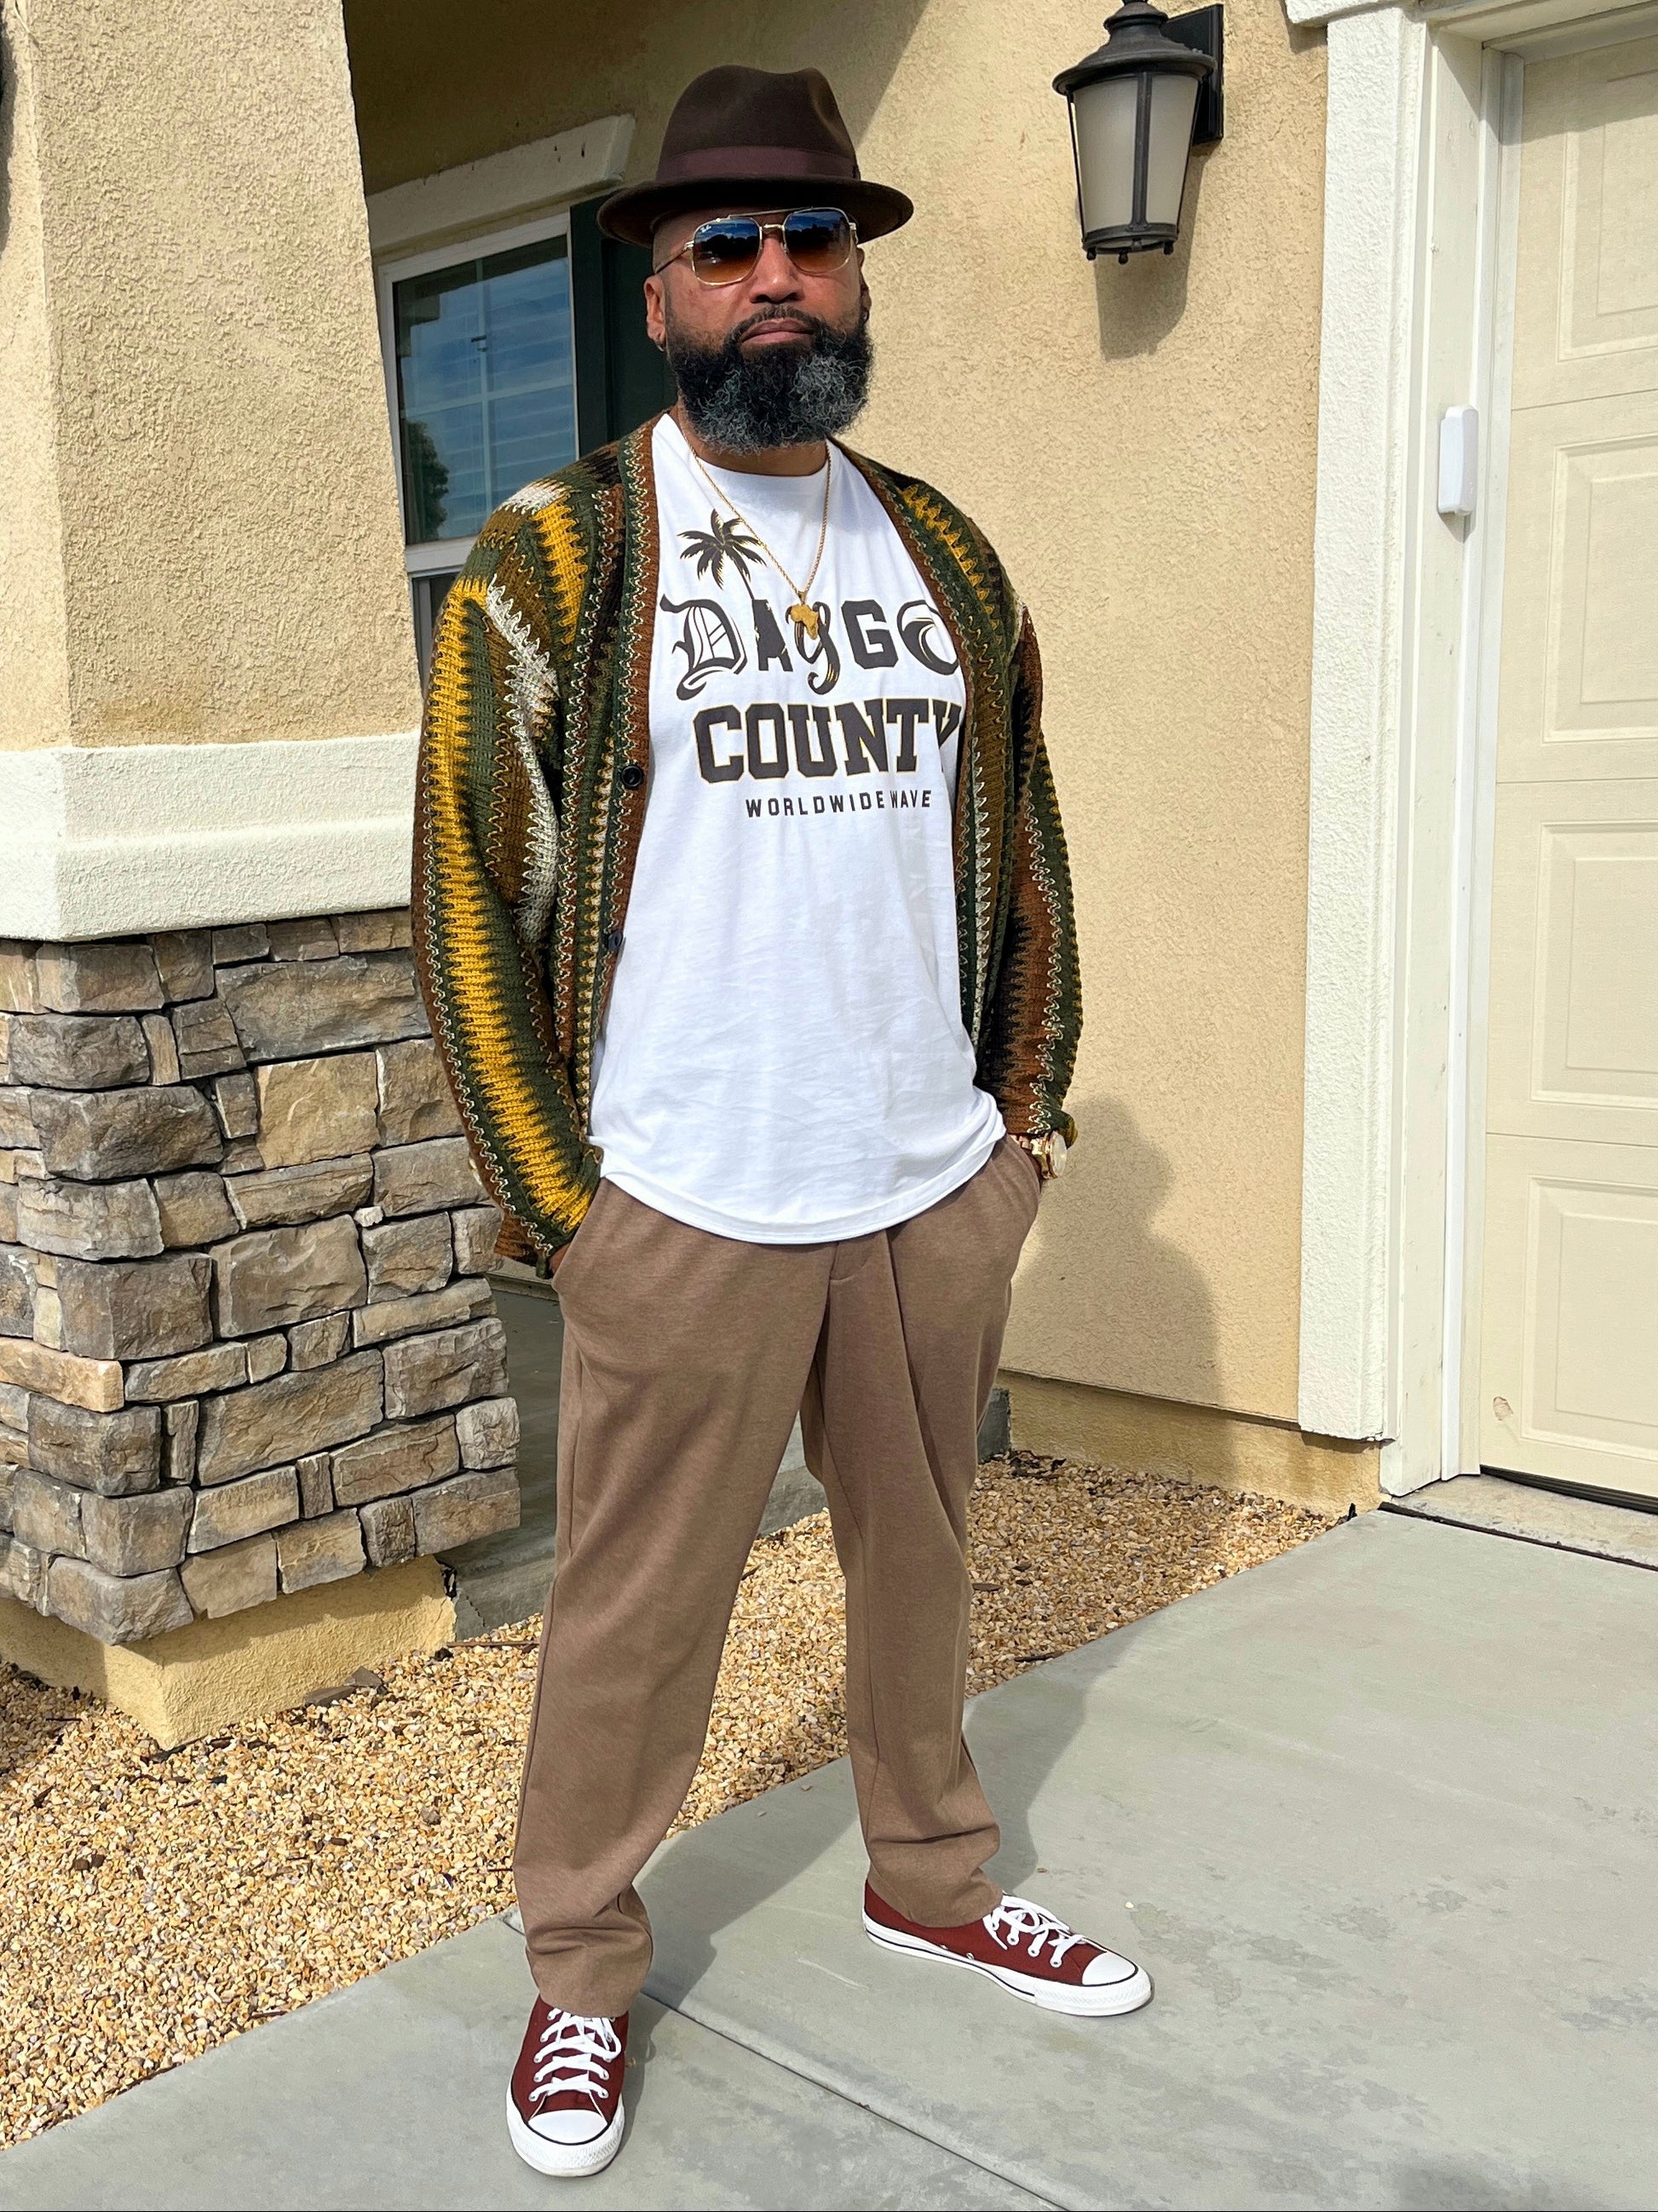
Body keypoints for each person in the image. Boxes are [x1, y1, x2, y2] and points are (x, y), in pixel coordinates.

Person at [413, 61, 1151, 2181]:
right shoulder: (557, 559)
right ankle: (579, 1970)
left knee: (923, 1573)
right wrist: (570, 1212)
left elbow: (1025, 860)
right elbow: (467, 896)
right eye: (721, 244)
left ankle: (932, 1875)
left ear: (856, 275)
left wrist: (1020, 1135)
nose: (772, 278)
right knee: (634, 1618)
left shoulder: (946, 556)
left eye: (809, 239)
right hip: (684, 1198)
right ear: (656, 293)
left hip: (923, 1186)